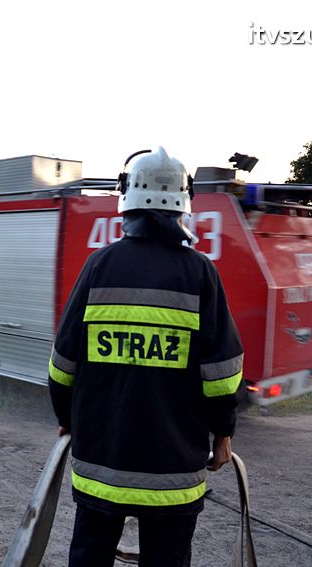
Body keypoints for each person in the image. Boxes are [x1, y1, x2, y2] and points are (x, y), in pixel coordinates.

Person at [48, 147, 244, 567]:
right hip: (172, 472)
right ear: (183, 206)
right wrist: (222, 434)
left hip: (102, 464)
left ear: (126, 202)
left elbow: (62, 364)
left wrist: (68, 418)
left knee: (89, 558)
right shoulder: (200, 273)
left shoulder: (98, 266)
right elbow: (223, 376)